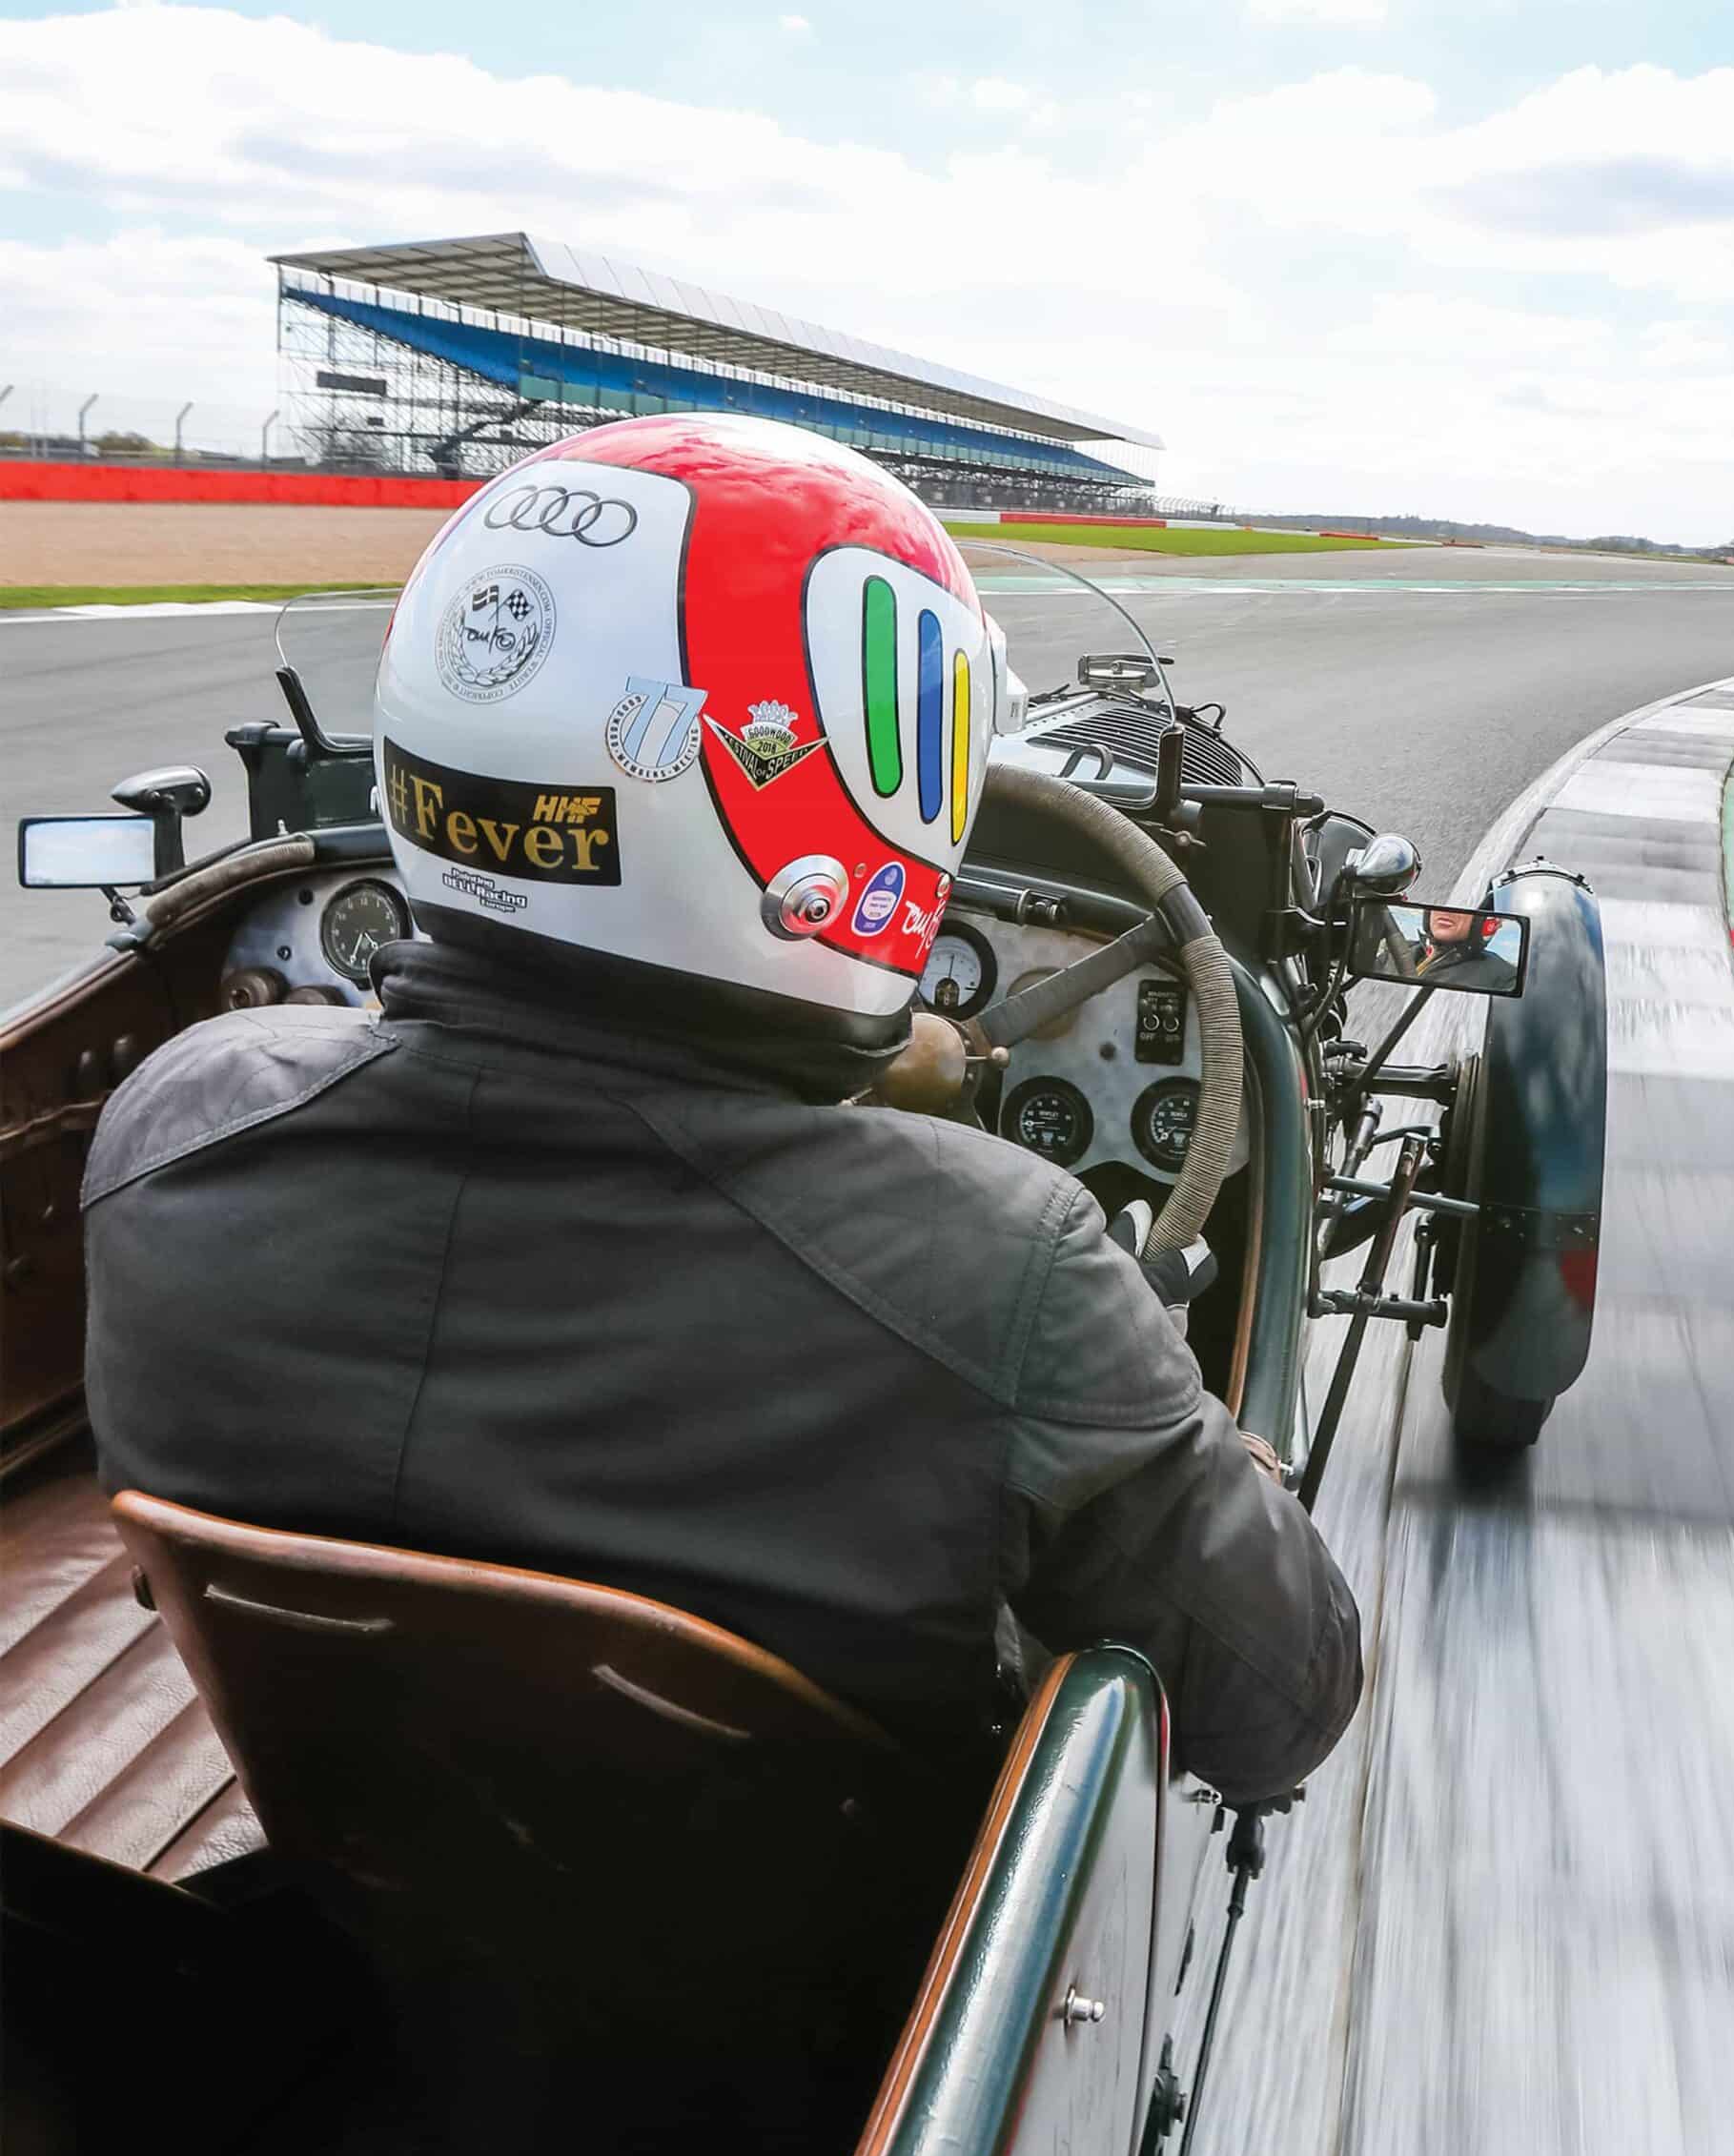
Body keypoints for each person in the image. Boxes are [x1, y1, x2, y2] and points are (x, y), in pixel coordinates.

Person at [83, 414, 1360, 1808]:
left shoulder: (172, 1122)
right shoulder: (1011, 1270)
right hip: (857, 1940)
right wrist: (1177, 1408)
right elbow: (1285, 1706)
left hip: (350, 1869)